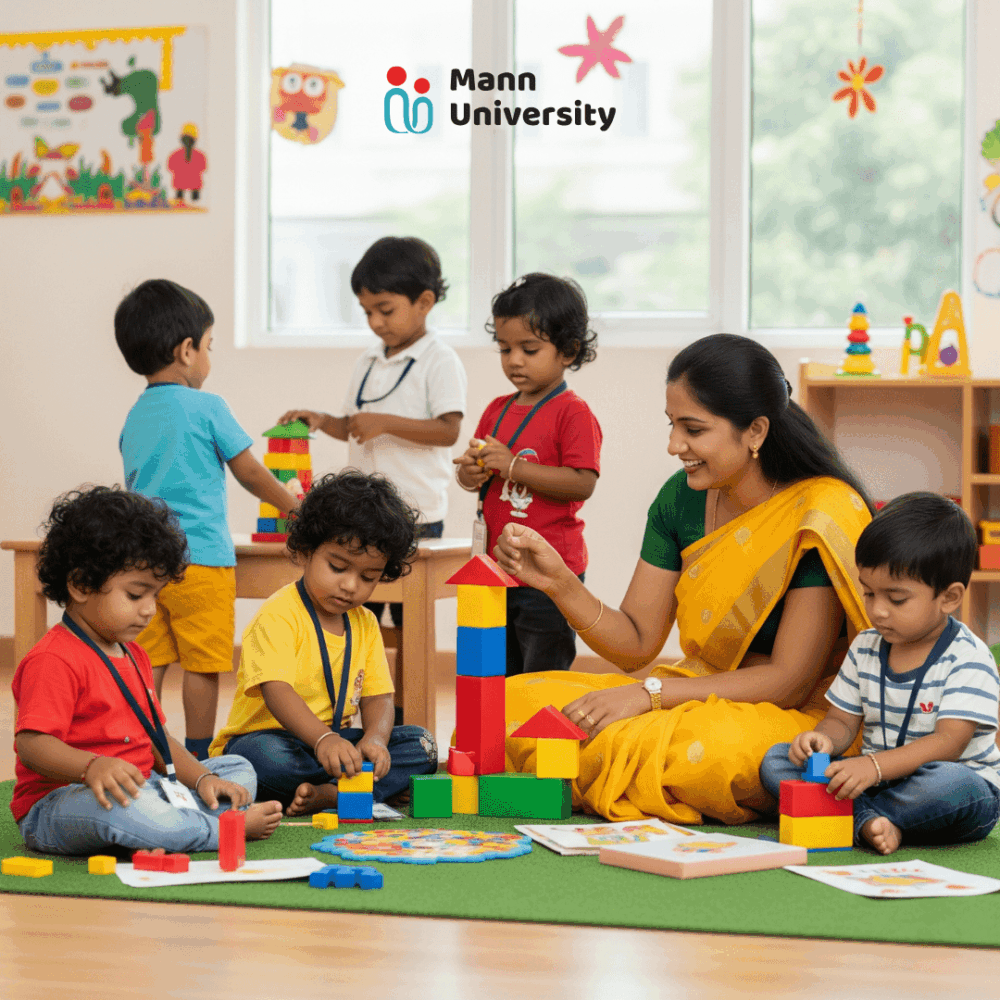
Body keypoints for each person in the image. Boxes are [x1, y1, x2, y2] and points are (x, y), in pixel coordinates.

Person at [494, 333, 875, 824]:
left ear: (755, 431)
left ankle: (580, 773)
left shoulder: (817, 513)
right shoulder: (682, 497)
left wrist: (645, 695)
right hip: (693, 688)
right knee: (508, 702)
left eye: (693, 429)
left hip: (791, 714)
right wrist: (560, 584)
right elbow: (636, 642)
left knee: (706, 753)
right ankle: (597, 770)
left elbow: (789, 679)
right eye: (673, 425)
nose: (675, 445)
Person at [11, 486, 283, 856]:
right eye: (136, 595)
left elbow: (157, 738)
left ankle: (183, 819)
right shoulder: (54, 659)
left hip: (147, 786)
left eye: (155, 595)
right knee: (128, 811)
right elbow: (31, 745)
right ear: (80, 585)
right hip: (66, 801)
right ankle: (221, 829)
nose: (150, 610)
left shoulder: (134, 653)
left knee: (236, 767)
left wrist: (203, 777)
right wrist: (91, 767)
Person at [278, 236, 467, 705]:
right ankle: (353, 706)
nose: (376, 322)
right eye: (367, 312)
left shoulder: (440, 360)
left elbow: (448, 430)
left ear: (424, 302)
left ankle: (405, 711)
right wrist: (323, 422)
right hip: (361, 517)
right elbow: (355, 425)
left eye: (385, 309)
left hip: (415, 514)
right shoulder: (368, 360)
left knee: (408, 628)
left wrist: (384, 423)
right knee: (360, 621)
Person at [116, 279, 300, 760]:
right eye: (209, 347)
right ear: (186, 351)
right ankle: (197, 755)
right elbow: (251, 473)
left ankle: (145, 748)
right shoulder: (208, 406)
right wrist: (295, 507)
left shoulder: (135, 416)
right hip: (202, 561)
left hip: (144, 566)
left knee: (147, 660)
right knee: (202, 664)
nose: (209, 359)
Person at [759, 493, 1000, 854]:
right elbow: (841, 723)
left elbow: (949, 744)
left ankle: (850, 818)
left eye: (896, 599)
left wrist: (873, 766)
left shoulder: (969, 657)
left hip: (953, 788)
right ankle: (874, 823)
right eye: (869, 593)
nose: (878, 611)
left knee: (952, 784)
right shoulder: (865, 647)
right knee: (776, 760)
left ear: (949, 598)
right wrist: (822, 741)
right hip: (876, 783)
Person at [209, 470, 439, 814]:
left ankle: (330, 794)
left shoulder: (365, 622)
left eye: (367, 577)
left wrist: (374, 738)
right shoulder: (278, 614)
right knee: (261, 760)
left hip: (334, 748)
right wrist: (322, 739)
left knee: (423, 745)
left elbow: (379, 696)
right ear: (305, 552)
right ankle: (357, 791)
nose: (350, 585)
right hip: (273, 740)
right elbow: (277, 691)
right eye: (337, 567)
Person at [454, 274, 602, 675]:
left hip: (548, 572)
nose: (514, 360)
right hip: (495, 568)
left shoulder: (573, 412)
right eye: (505, 349)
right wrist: (471, 472)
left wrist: (515, 465)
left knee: (542, 674)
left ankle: (541, 739)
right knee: (494, 673)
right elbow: (477, 481)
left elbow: (582, 481)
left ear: (569, 351)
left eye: (529, 349)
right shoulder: (496, 409)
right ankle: (501, 739)